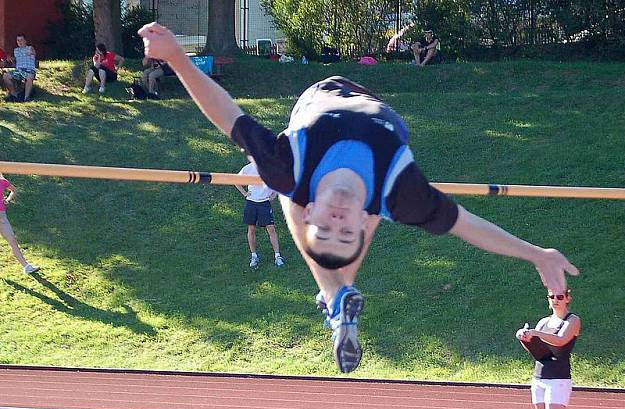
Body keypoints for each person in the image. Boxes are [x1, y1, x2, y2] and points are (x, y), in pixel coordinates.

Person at [138, 22, 578, 373]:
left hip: (317, 98)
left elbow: (225, 112)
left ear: (312, 211)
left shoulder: (290, 167)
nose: (339, 216)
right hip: (375, 118)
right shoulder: (398, 191)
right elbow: (467, 226)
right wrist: (535, 254)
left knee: (288, 186)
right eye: (346, 229)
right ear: (364, 222)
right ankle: (337, 296)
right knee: (359, 207)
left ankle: (336, 298)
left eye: (325, 224)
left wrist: (177, 57)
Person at [234, 161, 285, 269]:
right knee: (251, 229)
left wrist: (274, 194)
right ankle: (254, 256)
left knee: (271, 228)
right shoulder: (249, 168)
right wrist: (244, 193)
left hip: (264, 203)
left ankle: (277, 256)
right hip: (251, 202)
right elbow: (236, 180)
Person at [0, 173, 40, 275]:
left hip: (2, 217)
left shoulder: (3, 181)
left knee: (12, 239)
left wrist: (8, 200)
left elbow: (14, 190)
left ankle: (26, 267)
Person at [2, 34, 36, 102]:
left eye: (21, 40)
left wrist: (31, 53)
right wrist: (9, 60)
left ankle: (26, 98)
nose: (19, 42)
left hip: (29, 70)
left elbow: (33, 53)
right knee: (5, 76)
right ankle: (14, 95)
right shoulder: (16, 50)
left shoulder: (30, 48)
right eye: (18, 40)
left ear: (25, 41)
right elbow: (15, 60)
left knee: (30, 76)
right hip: (19, 71)